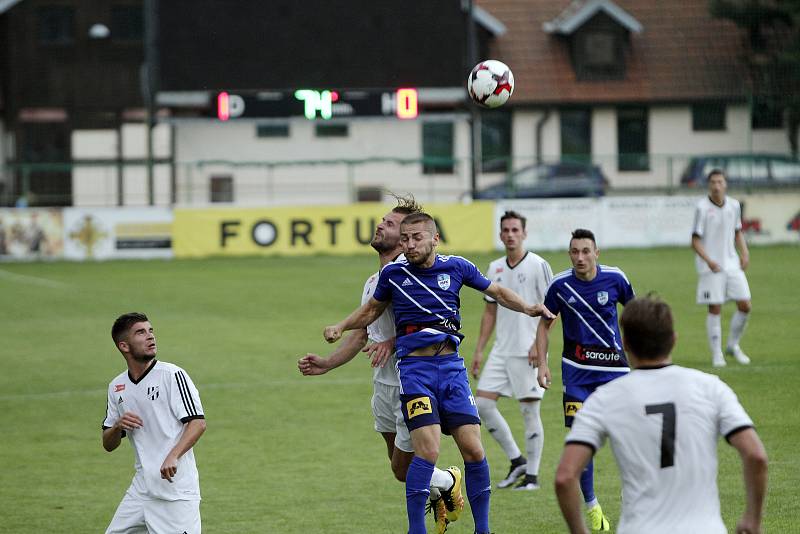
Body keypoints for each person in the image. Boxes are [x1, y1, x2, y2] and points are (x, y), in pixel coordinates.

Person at [324, 212, 553, 534]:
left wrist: (529, 307)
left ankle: (483, 529)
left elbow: (497, 292)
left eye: (417, 238)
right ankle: (416, 530)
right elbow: (371, 310)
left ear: (435, 239)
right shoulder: (393, 274)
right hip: (415, 371)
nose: (409, 245)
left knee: (474, 450)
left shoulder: (457, 267)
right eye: (405, 239)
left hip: (451, 368)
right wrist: (341, 325)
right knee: (428, 452)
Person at [298, 196, 458, 534]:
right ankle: (444, 483)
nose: (379, 225)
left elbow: (437, 325)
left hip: (413, 381)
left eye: (388, 223)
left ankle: (445, 485)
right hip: (383, 384)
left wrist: (393, 342)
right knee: (399, 469)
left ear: (404, 237)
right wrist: (327, 363)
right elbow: (361, 335)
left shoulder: (414, 275)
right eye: (382, 220)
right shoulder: (375, 281)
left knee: (408, 465)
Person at [555, 296, 768, 534]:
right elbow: (756, 455)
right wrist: (752, 518)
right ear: (673, 340)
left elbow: (565, 477)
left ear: (624, 343)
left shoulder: (604, 399)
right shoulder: (711, 388)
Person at [534, 228, 634, 532]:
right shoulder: (560, 285)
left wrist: (641, 359)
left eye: (585, 251)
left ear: (596, 253)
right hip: (576, 374)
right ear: (569, 254)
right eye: (574, 252)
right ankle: (592, 506)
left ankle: (632, 496)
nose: (580, 257)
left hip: (615, 371)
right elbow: (543, 325)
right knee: (581, 441)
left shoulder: (616, 278)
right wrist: (542, 365)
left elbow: (636, 317)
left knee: (625, 438)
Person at [102, 312, 207, 534]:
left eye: (151, 331)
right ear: (124, 346)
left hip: (175, 492)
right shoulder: (116, 386)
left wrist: (173, 455)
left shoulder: (172, 375)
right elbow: (108, 444)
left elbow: (197, 423)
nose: (150, 337)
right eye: (141, 332)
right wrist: (118, 426)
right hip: (142, 490)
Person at [471, 210, 553, 491]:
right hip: (501, 350)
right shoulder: (494, 267)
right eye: (505, 230)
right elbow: (489, 313)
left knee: (529, 411)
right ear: (500, 234)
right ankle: (516, 459)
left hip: (528, 350)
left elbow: (552, 310)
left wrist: (537, 346)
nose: (510, 234)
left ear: (524, 233)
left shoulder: (538, 265)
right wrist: (480, 350)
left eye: (515, 230)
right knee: (482, 404)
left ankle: (532, 476)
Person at [691, 169, 752, 367]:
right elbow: (695, 240)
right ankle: (717, 354)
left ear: (725, 184)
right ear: (709, 185)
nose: (717, 185)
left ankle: (733, 346)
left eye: (720, 182)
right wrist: (708, 260)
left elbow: (737, 232)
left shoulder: (734, 206)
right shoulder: (702, 207)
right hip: (711, 267)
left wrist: (744, 253)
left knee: (745, 305)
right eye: (713, 182)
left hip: (732, 264)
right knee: (715, 307)